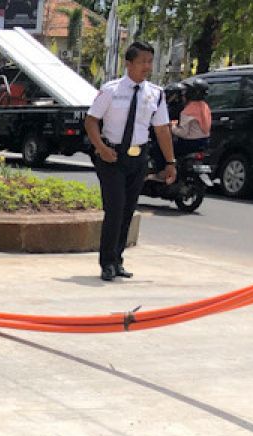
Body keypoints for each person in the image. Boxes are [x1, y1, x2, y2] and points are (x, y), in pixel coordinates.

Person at [84, 41, 175, 282]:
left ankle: (118, 259)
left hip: (138, 158)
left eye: (149, 62)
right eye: (142, 61)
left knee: (127, 210)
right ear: (128, 63)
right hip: (111, 157)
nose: (147, 66)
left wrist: (170, 162)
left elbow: (162, 129)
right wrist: (101, 148)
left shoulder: (155, 93)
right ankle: (107, 263)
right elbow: (91, 121)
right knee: (114, 208)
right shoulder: (111, 90)